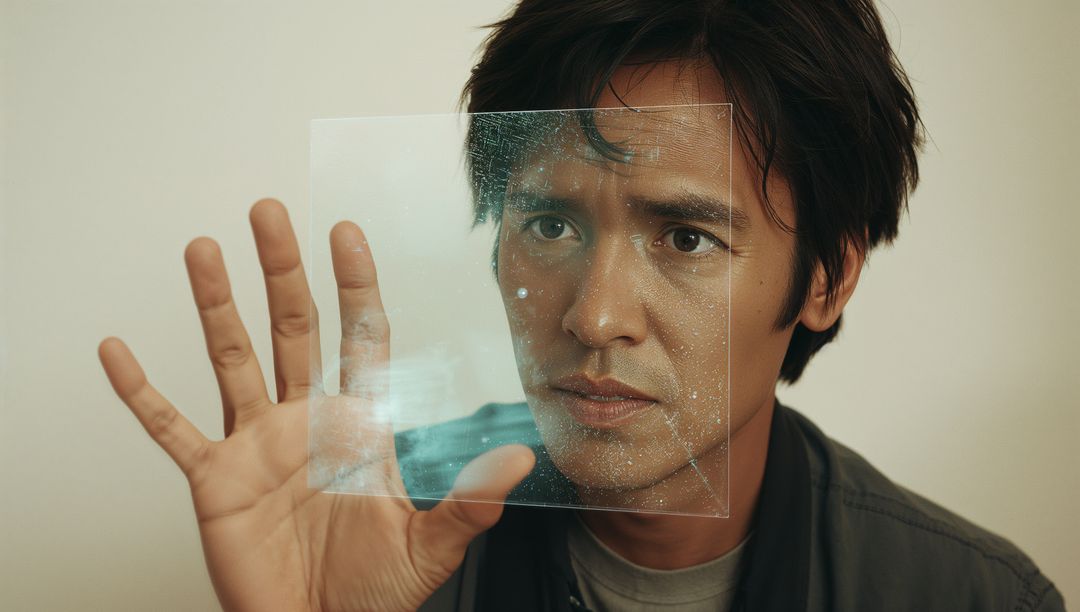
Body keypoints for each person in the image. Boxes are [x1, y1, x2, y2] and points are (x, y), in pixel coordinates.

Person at [97, 1, 1065, 610]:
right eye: (551, 225)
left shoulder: (969, 596)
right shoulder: (371, 530)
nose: (594, 318)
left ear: (826, 279)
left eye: (686, 238)